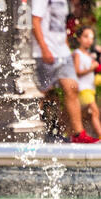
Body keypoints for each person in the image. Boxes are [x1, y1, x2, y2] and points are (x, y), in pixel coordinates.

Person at [32, 0, 99, 143]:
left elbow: (61, 27)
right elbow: (35, 21)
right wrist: (44, 48)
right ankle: (31, 126)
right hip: (46, 52)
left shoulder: (64, 1)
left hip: (62, 52)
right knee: (44, 93)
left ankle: (78, 134)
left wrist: (66, 49)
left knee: (72, 88)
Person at [73, 26, 101, 138]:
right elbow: (77, 71)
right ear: (79, 38)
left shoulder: (90, 55)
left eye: (91, 38)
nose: (89, 40)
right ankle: (100, 136)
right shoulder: (77, 53)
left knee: (83, 115)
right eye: (86, 37)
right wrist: (91, 67)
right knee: (95, 112)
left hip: (90, 88)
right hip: (82, 88)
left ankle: (74, 134)